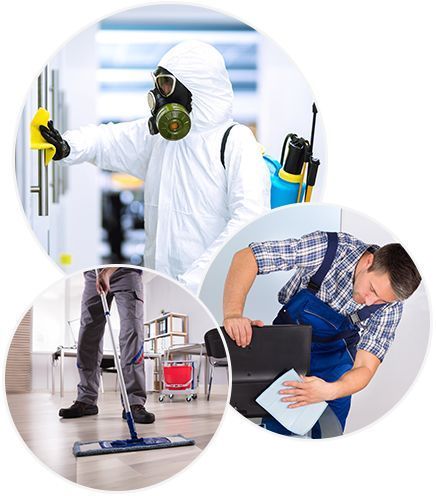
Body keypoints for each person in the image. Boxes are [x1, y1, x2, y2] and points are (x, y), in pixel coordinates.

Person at [39, 40, 271, 293]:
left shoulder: (235, 140)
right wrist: (68, 145)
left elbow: (249, 221)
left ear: (196, 88)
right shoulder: (161, 139)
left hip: (209, 290)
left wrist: (194, 282)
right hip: (162, 285)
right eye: (158, 83)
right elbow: (107, 140)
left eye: (166, 84)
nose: (157, 96)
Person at [223, 230, 421, 436]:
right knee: (270, 428)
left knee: (329, 434)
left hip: (334, 366)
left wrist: (331, 390)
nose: (371, 302)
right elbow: (249, 257)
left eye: (382, 300)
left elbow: (365, 367)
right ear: (368, 262)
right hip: (287, 348)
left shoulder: (391, 307)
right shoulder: (330, 249)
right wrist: (233, 314)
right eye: (372, 289)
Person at [59, 267, 155, 424]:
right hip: (93, 274)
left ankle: (134, 402)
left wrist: (108, 272)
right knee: (87, 335)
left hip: (127, 271)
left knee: (132, 332)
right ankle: (86, 400)